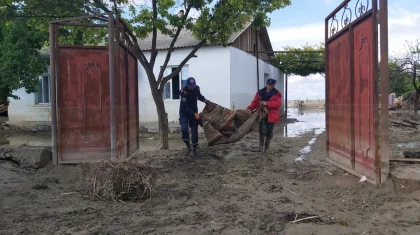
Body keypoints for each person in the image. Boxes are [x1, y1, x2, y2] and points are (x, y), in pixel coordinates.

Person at [247, 78, 282, 152]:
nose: (269, 86)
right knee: (262, 131)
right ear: (266, 84)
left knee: (270, 132)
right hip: (262, 114)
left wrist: (267, 103)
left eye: (271, 85)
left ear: (273, 85)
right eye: (268, 84)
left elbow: (278, 104)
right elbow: (255, 102)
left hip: (272, 115)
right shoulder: (260, 92)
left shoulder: (277, 93)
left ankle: (266, 148)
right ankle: (260, 147)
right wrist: (249, 108)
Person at [179, 77, 210, 156]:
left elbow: (199, 96)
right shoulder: (184, 92)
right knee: (184, 128)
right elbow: (185, 107)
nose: (192, 87)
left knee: (194, 131)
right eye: (191, 85)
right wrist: (194, 114)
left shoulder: (197, 88)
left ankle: (194, 149)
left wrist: (205, 100)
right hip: (184, 113)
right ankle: (188, 146)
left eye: (193, 85)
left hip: (194, 112)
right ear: (188, 85)